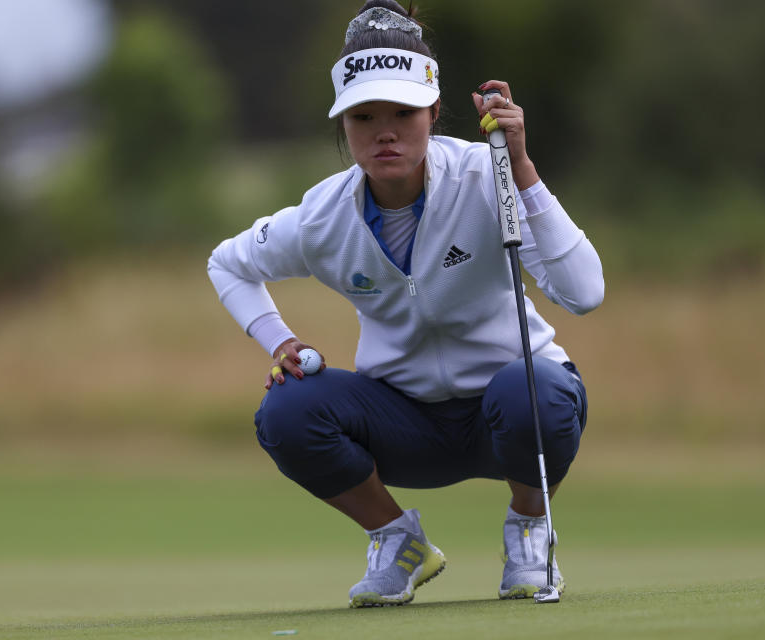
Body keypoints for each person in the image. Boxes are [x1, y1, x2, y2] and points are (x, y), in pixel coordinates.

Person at [207, 0, 603, 607]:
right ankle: (397, 541)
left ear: (435, 111)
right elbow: (228, 264)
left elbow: (585, 291)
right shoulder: (322, 216)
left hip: (511, 411)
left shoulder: (486, 175)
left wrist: (520, 165)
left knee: (540, 390)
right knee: (286, 410)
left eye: (403, 112)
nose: (384, 131)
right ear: (342, 123)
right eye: (364, 116)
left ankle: (528, 526)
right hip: (403, 425)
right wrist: (279, 341)